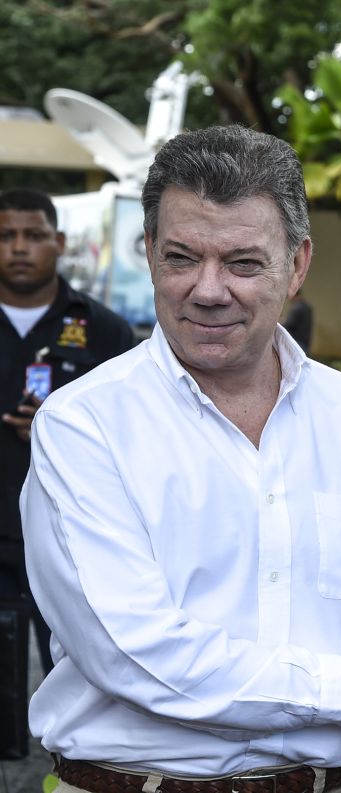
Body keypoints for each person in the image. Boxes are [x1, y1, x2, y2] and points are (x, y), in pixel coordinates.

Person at [20, 126, 341, 793]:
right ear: (148, 254)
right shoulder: (84, 427)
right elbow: (136, 653)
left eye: (244, 263)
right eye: (181, 257)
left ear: (298, 263)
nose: (208, 288)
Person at [0, 188, 134, 758]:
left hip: (76, 546)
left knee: (92, 697)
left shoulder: (102, 330)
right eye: (6, 236)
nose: (19, 248)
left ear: (59, 243)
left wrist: (62, 437)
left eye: (33, 236)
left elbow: (138, 434)